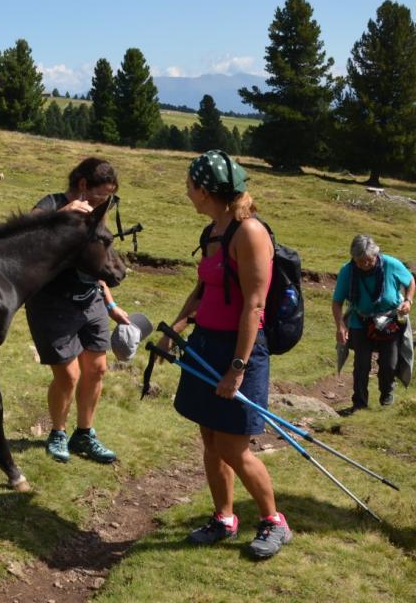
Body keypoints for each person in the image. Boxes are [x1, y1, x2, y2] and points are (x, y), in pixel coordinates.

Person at [158, 150, 290, 559]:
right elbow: (204, 289)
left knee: (234, 447)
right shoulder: (212, 231)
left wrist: (238, 367)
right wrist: (176, 327)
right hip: (205, 345)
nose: (186, 192)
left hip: (239, 350)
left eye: (189, 185)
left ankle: (274, 522)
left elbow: (255, 305)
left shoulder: (248, 232)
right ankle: (223, 518)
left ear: (204, 189)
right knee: (211, 440)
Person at [25, 157, 130, 465]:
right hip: (53, 303)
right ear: (83, 185)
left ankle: (84, 434)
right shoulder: (52, 203)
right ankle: (58, 432)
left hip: (92, 300)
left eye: (110, 196)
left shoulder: (98, 214)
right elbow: (23, 234)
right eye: (102, 194)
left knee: (96, 370)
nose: (105, 202)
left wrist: (110, 304)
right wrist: (62, 214)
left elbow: (97, 260)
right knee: (68, 375)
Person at [331, 235, 416, 410]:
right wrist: (340, 325)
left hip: (389, 322)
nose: (364, 264)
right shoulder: (347, 271)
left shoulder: (391, 264)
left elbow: (410, 281)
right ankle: (359, 403)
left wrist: (408, 301)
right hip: (360, 322)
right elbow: (337, 301)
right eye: (360, 261)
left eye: (368, 260)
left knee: (389, 364)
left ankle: (386, 397)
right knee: (361, 364)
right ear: (353, 258)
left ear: (376, 255)